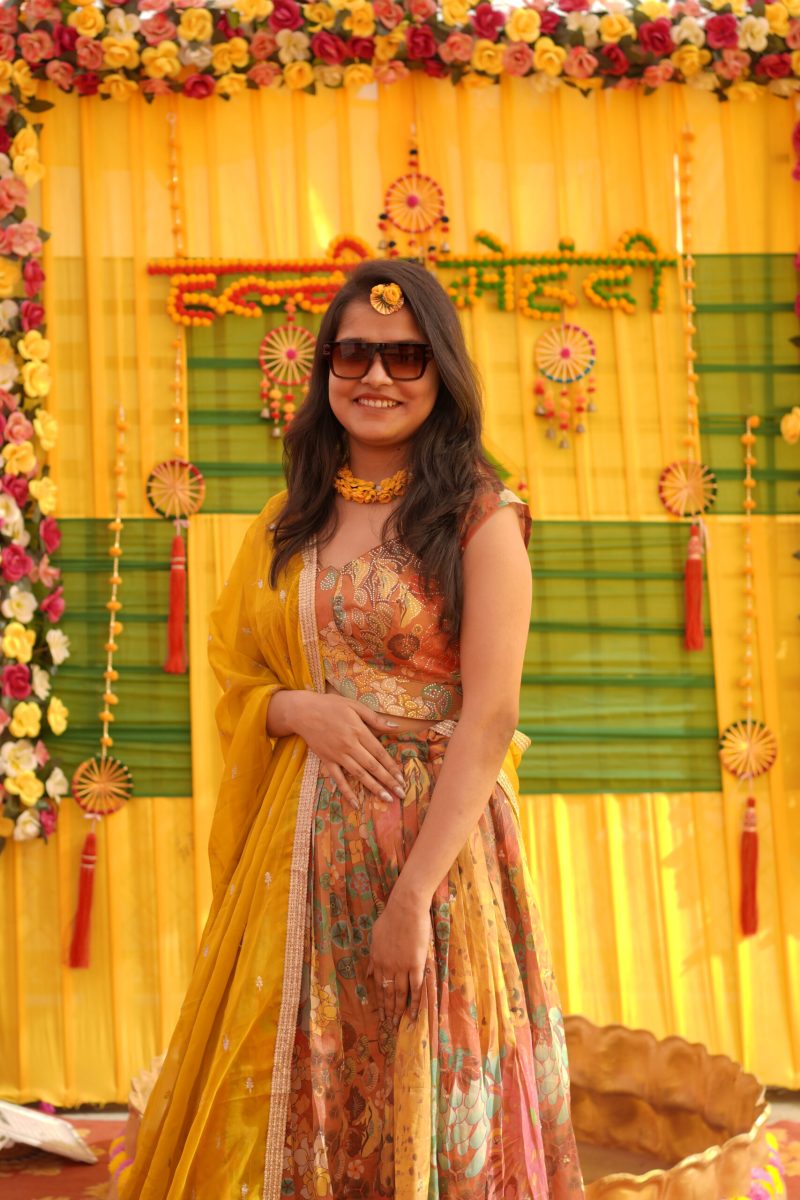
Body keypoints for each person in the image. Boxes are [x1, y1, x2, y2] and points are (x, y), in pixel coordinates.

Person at [120, 260, 584, 1199]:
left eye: (404, 357)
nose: (376, 376)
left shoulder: (481, 519)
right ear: (325, 367)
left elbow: (490, 718)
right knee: (299, 1103)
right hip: (297, 861)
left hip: (438, 864)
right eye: (354, 354)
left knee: (429, 1087)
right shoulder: (288, 521)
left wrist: (413, 898)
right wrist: (293, 708)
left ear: (441, 370)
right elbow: (238, 672)